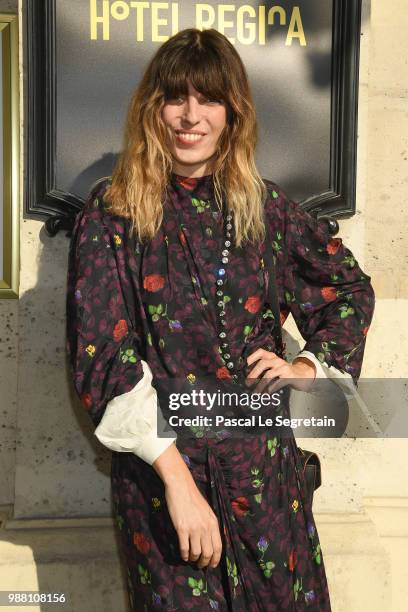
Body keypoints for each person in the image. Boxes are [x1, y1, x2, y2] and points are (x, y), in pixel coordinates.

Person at [66, 28, 375, 611]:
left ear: (233, 114)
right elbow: (103, 361)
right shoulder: (112, 215)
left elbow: (348, 290)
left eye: (208, 99)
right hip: (164, 490)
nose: (190, 115)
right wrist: (179, 485)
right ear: (152, 108)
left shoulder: (268, 209)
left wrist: (307, 364)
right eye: (175, 97)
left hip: (265, 485)